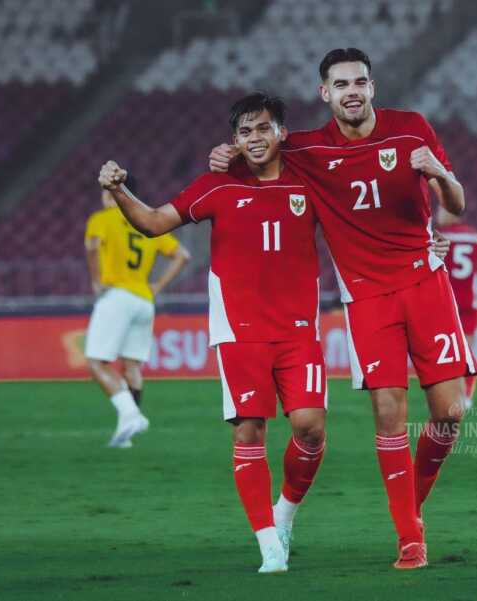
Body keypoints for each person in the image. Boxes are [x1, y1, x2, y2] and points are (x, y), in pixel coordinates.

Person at [210, 48, 477, 569]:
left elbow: (457, 203)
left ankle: (411, 506)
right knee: (389, 414)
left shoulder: (411, 129)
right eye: (340, 84)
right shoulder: (307, 149)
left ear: (371, 87)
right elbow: (258, 148)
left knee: (450, 413)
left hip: (426, 283)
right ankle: (410, 538)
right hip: (368, 297)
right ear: (325, 93)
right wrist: (226, 155)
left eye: (359, 82)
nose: (351, 91)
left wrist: (439, 173)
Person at [97, 93, 329, 573]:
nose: (255, 138)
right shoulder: (216, 186)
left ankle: (284, 514)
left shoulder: (311, 182)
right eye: (245, 132)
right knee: (249, 429)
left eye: (263, 128)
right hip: (239, 331)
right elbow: (153, 223)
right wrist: (119, 190)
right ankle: (268, 545)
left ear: (282, 133)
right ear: (234, 140)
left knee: (310, 427)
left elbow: (362, 220)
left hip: (298, 329)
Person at [84, 177, 190, 448]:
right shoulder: (144, 220)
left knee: (96, 363)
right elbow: (182, 255)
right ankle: (126, 433)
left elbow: (92, 246)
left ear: (110, 193)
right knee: (131, 366)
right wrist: (158, 286)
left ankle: (130, 414)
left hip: (116, 296)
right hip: (144, 300)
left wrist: (96, 280)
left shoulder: (102, 219)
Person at [435, 205, 477, 408]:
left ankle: (447, 394)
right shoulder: (476, 237)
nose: (438, 214)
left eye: (441, 210)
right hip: (469, 301)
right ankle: (467, 396)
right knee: (467, 353)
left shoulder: (439, 237)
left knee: (446, 352)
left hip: (445, 301)